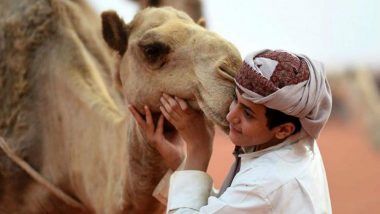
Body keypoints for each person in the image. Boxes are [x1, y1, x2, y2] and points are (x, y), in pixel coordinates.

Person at [129, 49, 332, 213]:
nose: (230, 116)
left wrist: (199, 147)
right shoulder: (297, 144)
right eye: (236, 99)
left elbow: (250, 195)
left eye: (248, 114)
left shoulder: (265, 183)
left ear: (283, 129)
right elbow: (231, 204)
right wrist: (179, 162)